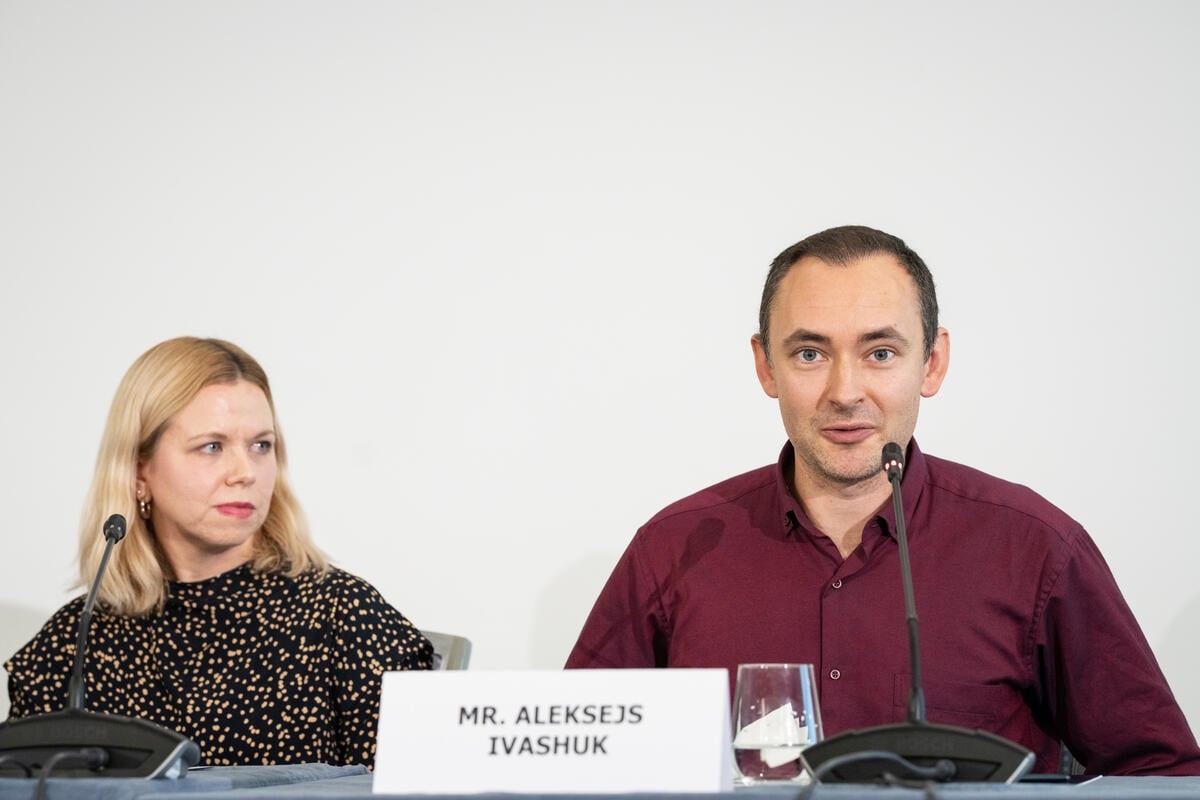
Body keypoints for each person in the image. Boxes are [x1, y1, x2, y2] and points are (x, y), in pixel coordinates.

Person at [565, 225, 1200, 776]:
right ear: (765, 367)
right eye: (809, 353)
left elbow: (1162, 772)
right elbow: (568, 760)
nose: (845, 391)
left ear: (932, 362)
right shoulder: (673, 550)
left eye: (880, 352)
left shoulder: (1034, 549)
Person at [5, 337, 432, 768]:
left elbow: (417, 786)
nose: (244, 472)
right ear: (139, 471)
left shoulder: (342, 615)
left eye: (261, 446)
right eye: (212, 446)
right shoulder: (72, 646)